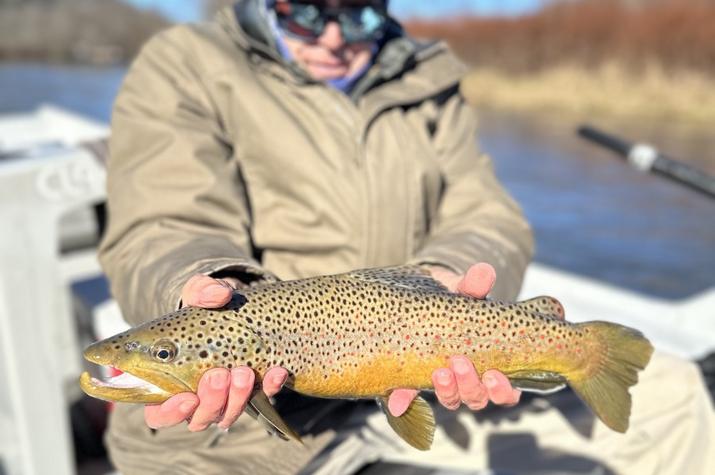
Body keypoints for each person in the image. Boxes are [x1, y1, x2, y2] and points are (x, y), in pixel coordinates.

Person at [98, 1, 715, 474]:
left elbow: (487, 214)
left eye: (361, 13)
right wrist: (199, 282)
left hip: (429, 378)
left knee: (678, 393)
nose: (337, 38)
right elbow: (161, 221)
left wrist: (448, 276)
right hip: (245, 433)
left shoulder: (428, 83)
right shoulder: (186, 64)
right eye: (310, 13)